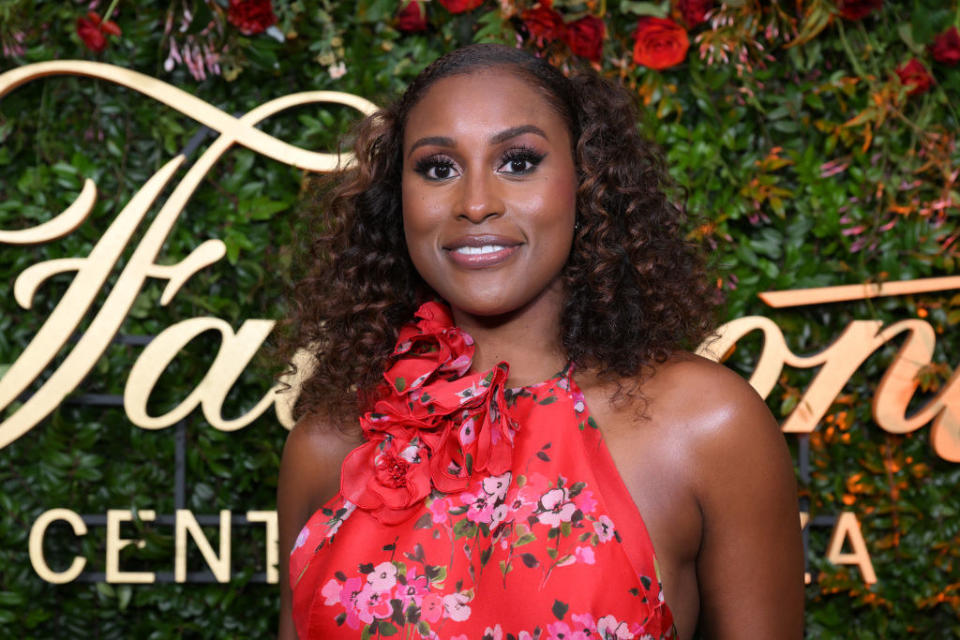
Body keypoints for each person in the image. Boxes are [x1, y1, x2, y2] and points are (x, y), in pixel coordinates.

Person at [277, 43, 804, 640]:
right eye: (438, 168)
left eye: (519, 161)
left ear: (586, 183)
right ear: (397, 201)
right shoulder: (330, 443)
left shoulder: (706, 425)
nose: (475, 203)